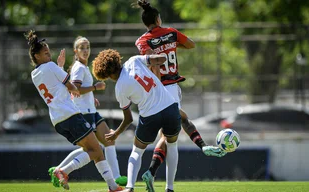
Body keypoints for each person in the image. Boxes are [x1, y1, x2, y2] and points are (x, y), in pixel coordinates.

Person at [134, 1, 227, 191]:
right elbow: (191, 45)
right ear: (158, 19)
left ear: (145, 23)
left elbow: (152, 62)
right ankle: (166, 185)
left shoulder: (141, 41)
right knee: (172, 138)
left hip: (153, 89)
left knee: (163, 135)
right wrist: (172, 45)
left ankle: (150, 174)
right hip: (170, 87)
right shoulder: (171, 33)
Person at [25, 30, 122, 192]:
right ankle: (63, 171)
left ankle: (112, 186)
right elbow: (72, 87)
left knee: (93, 150)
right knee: (96, 149)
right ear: (37, 56)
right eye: (46, 53)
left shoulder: (35, 74)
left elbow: (55, 85)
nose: (49, 56)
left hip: (58, 120)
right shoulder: (51, 66)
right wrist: (92, 88)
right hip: (70, 115)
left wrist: (60, 66)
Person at [92, 49, 181, 192]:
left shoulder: (119, 89)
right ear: (117, 60)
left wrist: (116, 133)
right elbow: (161, 59)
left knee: (137, 151)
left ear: (106, 74)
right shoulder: (133, 60)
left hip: (150, 115)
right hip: (170, 107)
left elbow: (128, 119)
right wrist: (154, 60)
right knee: (172, 145)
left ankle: (130, 187)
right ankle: (169, 188)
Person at [48, 36, 127, 187]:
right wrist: (95, 88)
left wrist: (91, 97)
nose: (85, 51)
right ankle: (59, 170)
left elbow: (78, 90)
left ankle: (116, 177)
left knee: (108, 139)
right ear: (75, 51)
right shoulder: (79, 67)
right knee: (91, 148)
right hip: (84, 112)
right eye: (82, 48)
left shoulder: (83, 67)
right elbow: (75, 89)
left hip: (90, 109)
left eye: (87, 47)